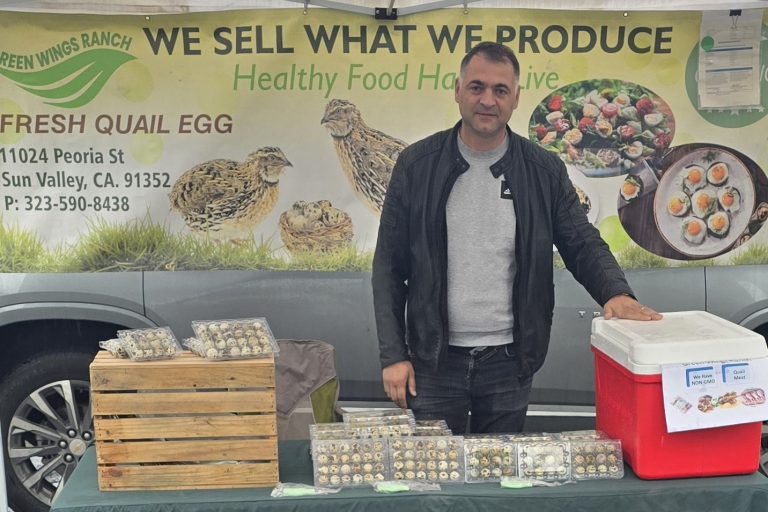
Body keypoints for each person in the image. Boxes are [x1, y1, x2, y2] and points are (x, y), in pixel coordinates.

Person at [371, 41, 662, 435]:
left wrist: (616, 293)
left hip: (509, 362)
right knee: (436, 485)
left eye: (500, 90)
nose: (487, 100)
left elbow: (581, 241)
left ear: (515, 98)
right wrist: (394, 355)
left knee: (502, 484)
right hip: (433, 362)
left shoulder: (543, 170)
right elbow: (389, 267)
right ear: (458, 91)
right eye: (476, 87)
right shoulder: (416, 165)